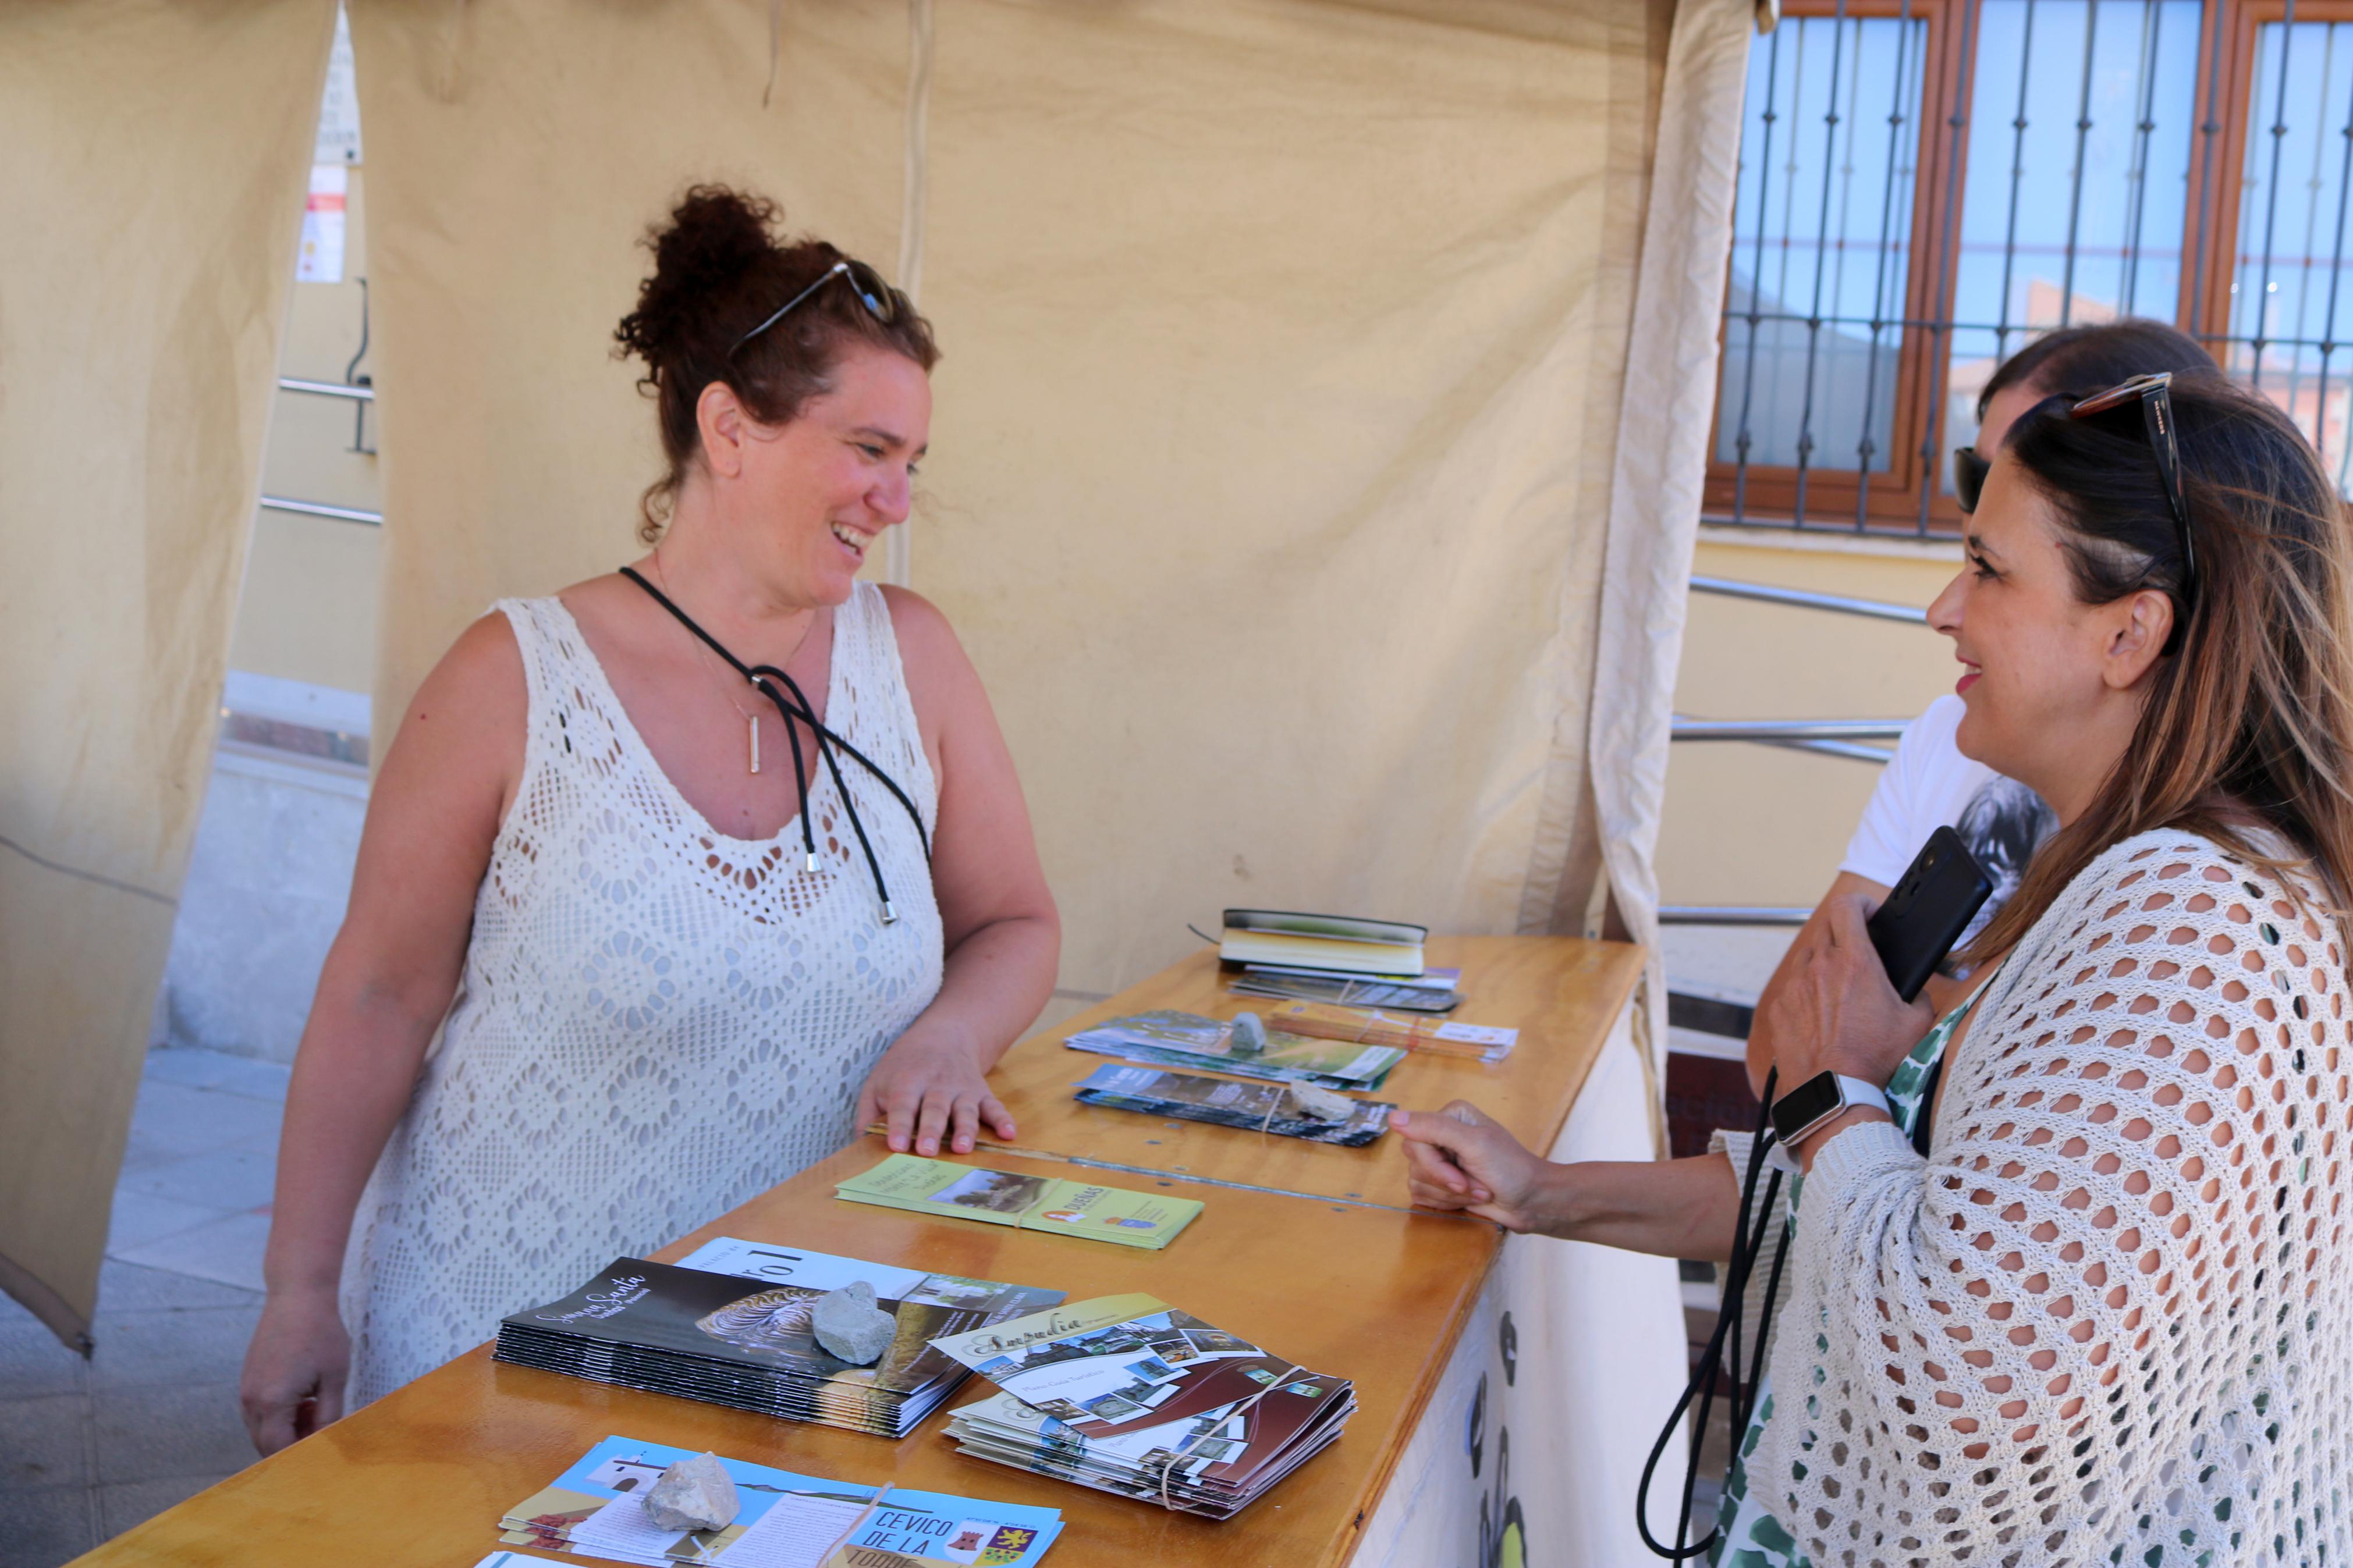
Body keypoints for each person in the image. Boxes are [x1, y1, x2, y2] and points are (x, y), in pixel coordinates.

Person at [1397, 369, 2353, 1563]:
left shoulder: (2188, 923)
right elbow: (1885, 1206)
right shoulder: (2154, 887)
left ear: (2128, 633)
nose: (1945, 609)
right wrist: (1544, 1193)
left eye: (1993, 571)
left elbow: (1966, 1375)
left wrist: (1834, 1085)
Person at [239, 186, 1059, 1452]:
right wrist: (297, 1292)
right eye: (868, 450)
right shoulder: (512, 679)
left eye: (913, 463)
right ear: (730, 430)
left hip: (808, 1365)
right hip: (506, 1376)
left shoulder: (920, 661)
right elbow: (376, 997)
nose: (898, 502)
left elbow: (1013, 919)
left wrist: (953, 1036)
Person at [1750, 320, 2219, 1094]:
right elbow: (1776, 1049)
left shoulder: (2201, 889)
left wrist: (1877, 1050)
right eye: (1981, 472)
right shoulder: (1953, 737)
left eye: (2040, 460)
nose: (1943, 608)